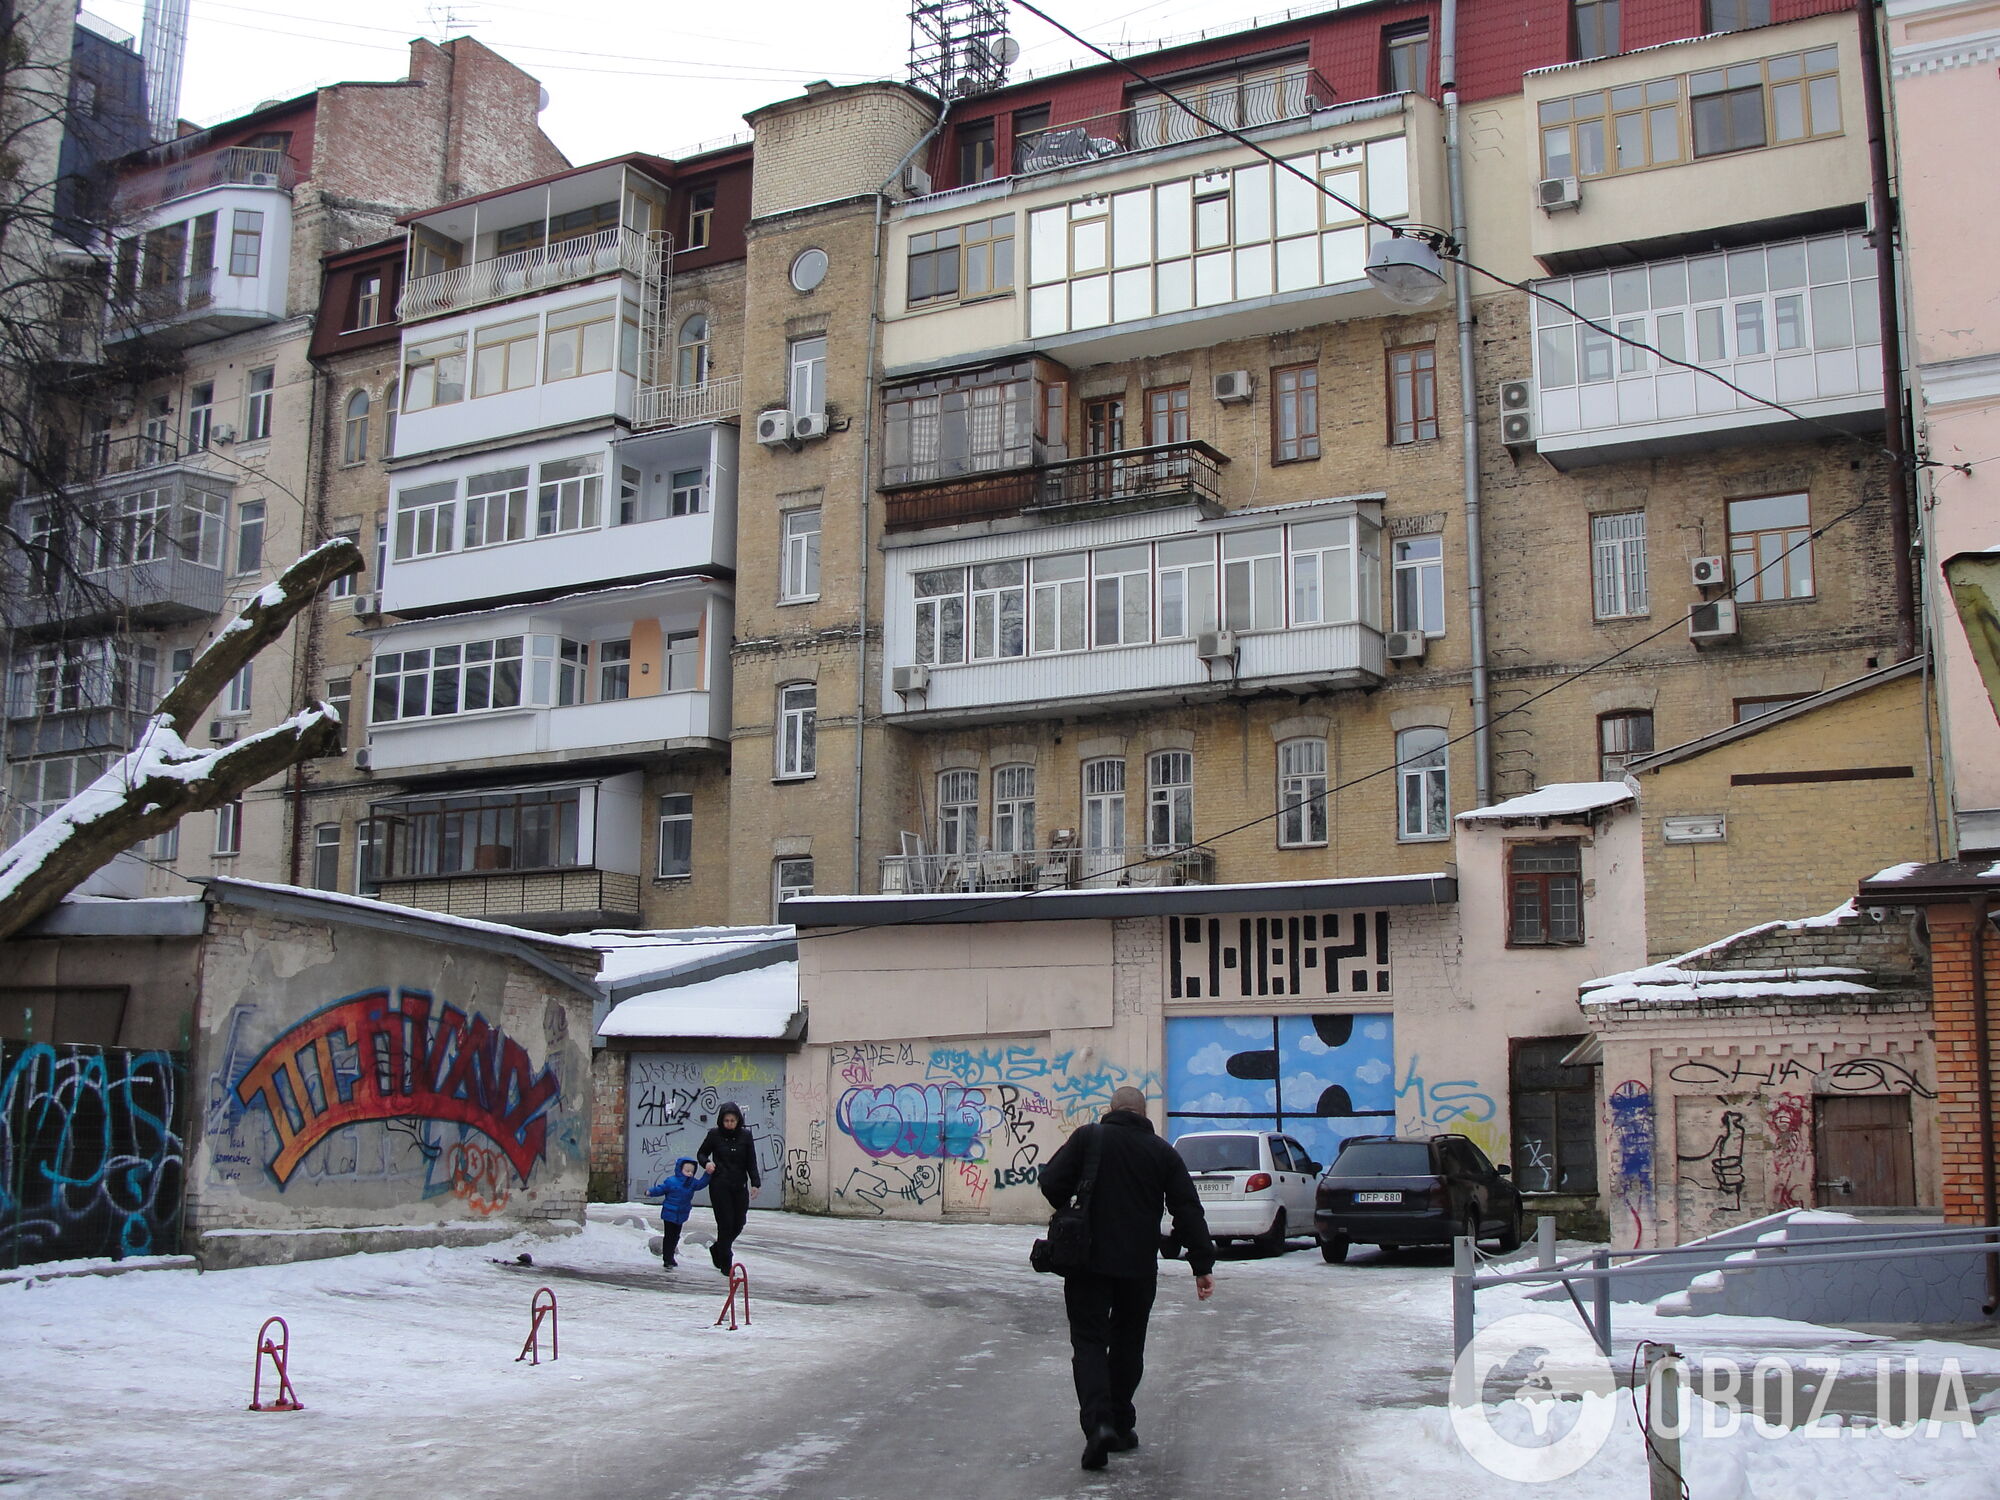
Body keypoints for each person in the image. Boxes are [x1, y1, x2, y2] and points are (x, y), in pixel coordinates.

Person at [1038, 1085, 1215, 1471]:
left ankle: (1099, 1424)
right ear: (1144, 1112)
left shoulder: (1089, 1137)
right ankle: (1120, 1423)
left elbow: (1051, 1183)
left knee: (1089, 1342)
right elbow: (1187, 1207)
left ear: (1112, 1109)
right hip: (1138, 1266)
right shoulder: (1162, 1152)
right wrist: (1201, 1264)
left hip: (1087, 1262)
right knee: (1128, 1344)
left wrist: (1078, 1196)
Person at [695, 1101, 761, 1272]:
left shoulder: (745, 1136)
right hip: (720, 1185)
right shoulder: (714, 1135)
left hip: (739, 1184)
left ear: (738, 1120)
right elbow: (701, 1153)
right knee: (725, 1223)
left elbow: (751, 1160)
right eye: (727, 1121)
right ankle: (726, 1262)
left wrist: (755, 1183)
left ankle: (718, 1248)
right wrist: (706, 1163)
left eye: (733, 1120)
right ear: (721, 1121)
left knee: (739, 1222)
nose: (730, 1124)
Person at [646, 1156, 710, 1269]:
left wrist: (708, 1174)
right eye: (687, 1171)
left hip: (681, 1214)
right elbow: (661, 1189)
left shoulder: (692, 1183)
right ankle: (667, 1259)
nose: (690, 1173)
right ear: (680, 1170)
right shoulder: (671, 1181)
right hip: (669, 1214)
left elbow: (701, 1184)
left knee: (676, 1236)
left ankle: (670, 1257)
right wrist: (650, 1192)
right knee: (669, 1236)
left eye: (692, 1171)